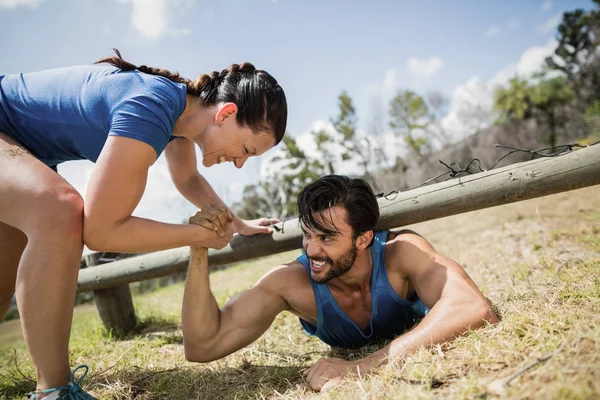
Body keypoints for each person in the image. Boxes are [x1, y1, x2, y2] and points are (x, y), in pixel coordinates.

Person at [0, 49, 287, 399]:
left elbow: (188, 179)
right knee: (59, 212)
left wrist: (237, 223)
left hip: (23, 148)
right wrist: (197, 235)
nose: (240, 163)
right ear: (226, 113)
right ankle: (55, 391)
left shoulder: (182, 117)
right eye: (246, 149)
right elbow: (100, 231)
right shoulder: (152, 107)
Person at [182, 175, 499, 392]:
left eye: (327, 237)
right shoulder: (289, 282)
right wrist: (199, 248)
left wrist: (364, 366)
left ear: (363, 239)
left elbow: (473, 307)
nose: (311, 249)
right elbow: (202, 346)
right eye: (308, 234)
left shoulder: (400, 253)